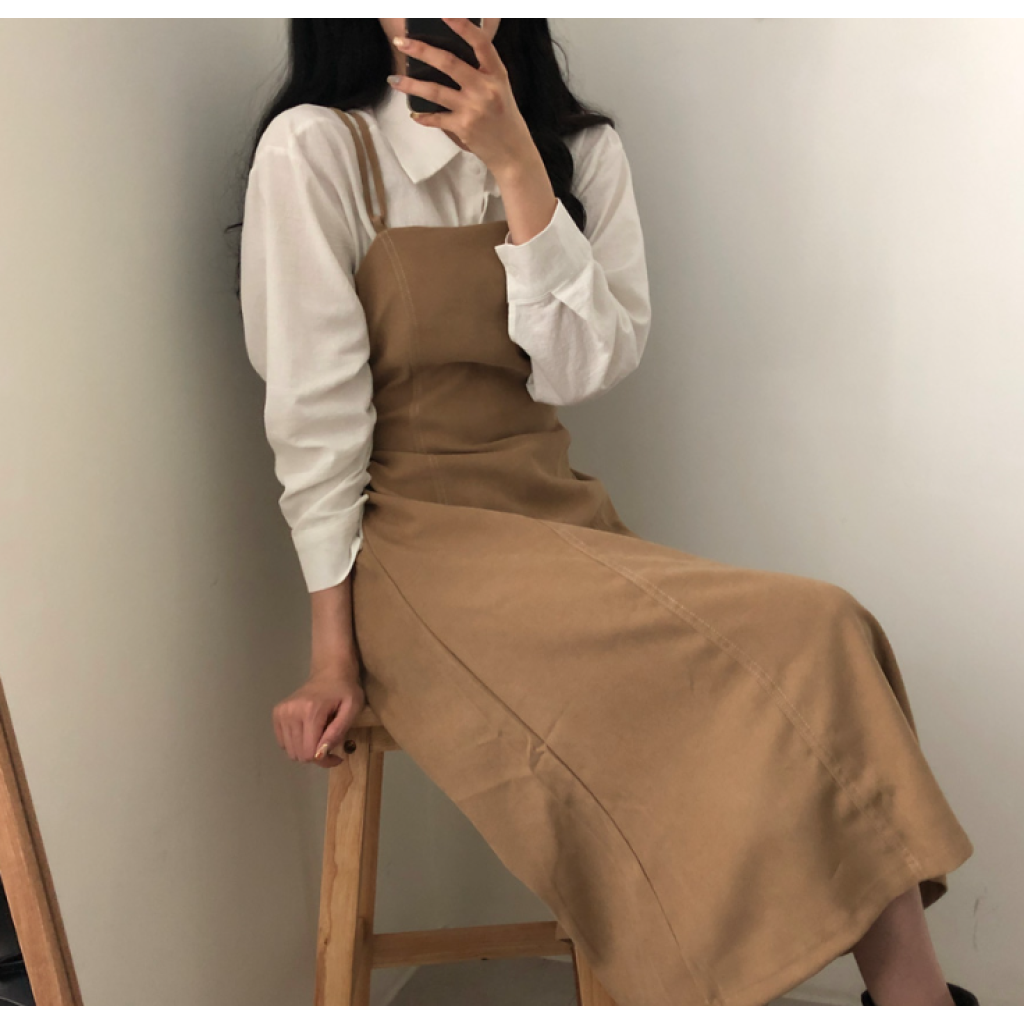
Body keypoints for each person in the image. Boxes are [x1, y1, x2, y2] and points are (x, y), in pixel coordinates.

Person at [234, 17, 979, 1007]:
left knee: (822, 630)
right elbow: (314, 420)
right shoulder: (319, 150)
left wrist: (516, 165)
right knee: (802, 630)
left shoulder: (579, 150)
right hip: (415, 548)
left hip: (556, 513)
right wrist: (333, 654)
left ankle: (911, 1001)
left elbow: (581, 371)